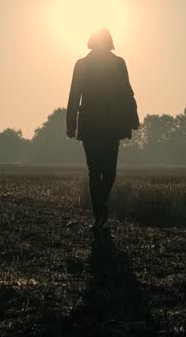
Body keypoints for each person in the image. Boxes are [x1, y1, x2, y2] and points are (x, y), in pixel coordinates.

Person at [66, 27, 140, 231]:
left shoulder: (118, 64)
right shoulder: (83, 65)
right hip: (98, 124)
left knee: (107, 172)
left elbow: (127, 92)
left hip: (106, 125)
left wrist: (133, 116)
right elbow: (74, 95)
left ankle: (99, 209)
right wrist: (70, 124)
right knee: (97, 171)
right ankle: (99, 215)